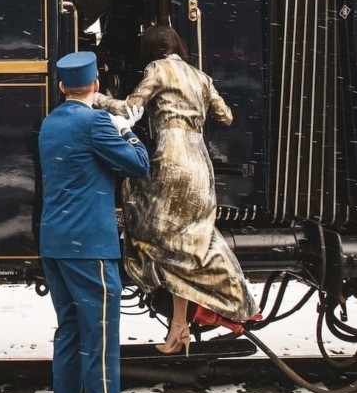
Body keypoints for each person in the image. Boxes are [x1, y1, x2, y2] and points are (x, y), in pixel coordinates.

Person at [95, 25, 259, 355]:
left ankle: (225, 302)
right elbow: (225, 116)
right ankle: (180, 327)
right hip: (200, 164)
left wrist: (97, 99)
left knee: (154, 236)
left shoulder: (158, 69)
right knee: (185, 243)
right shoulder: (200, 76)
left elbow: (131, 109)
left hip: (170, 160)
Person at [38, 50, 154, 393]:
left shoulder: (51, 123)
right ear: (96, 87)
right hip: (89, 248)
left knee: (69, 336)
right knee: (101, 344)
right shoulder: (96, 122)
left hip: (56, 245)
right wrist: (128, 130)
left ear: (61, 87)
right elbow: (139, 165)